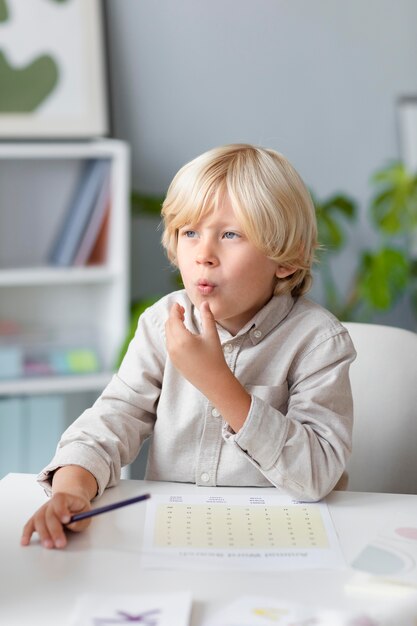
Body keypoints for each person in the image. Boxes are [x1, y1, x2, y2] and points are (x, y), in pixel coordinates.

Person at [21, 143, 356, 550]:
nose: (204, 254)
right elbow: (113, 419)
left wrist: (218, 382)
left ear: (286, 259)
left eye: (230, 234)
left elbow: (316, 474)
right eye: (190, 232)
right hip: (175, 536)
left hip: (283, 540)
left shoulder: (318, 342)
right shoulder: (162, 323)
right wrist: (71, 489)